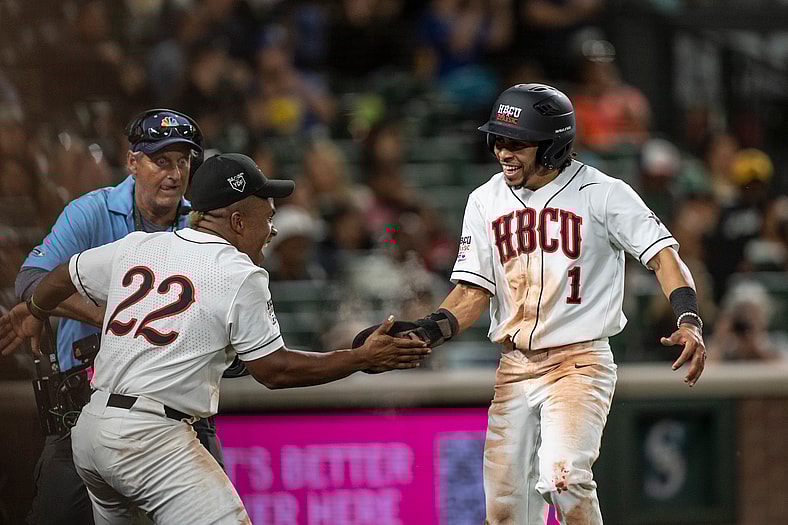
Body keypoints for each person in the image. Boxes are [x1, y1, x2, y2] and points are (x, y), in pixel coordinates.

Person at [0, 152, 430, 523]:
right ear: (238, 220)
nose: (273, 229)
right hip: (150, 438)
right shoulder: (239, 272)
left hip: (93, 431)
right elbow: (274, 372)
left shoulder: (140, 245)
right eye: (269, 215)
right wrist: (359, 359)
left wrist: (36, 311)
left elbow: (57, 277)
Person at [352, 84, 707, 524]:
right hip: (515, 366)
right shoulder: (485, 200)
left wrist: (689, 319)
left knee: (565, 477)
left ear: (554, 144)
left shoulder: (604, 193)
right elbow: (470, 293)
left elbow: (665, 258)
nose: (503, 151)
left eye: (517, 142)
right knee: (504, 512)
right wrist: (427, 329)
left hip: (579, 361)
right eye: (498, 139)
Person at [8, 108, 228, 525]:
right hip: (84, 407)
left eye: (183, 162)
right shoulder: (91, 212)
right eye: (161, 160)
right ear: (133, 162)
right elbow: (31, 278)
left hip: (177, 414)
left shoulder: (201, 225)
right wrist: (107, 316)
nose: (175, 173)